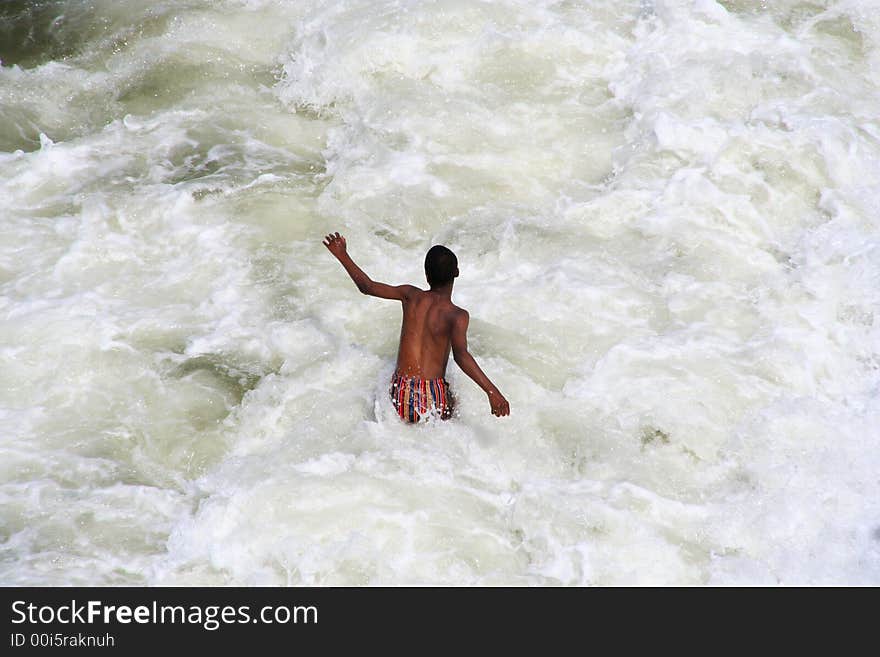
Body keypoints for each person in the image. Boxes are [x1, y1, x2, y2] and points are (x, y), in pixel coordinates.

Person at [322, 232, 510, 423]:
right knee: (454, 406)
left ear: (426, 275)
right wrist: (492, 392)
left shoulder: (410, 295)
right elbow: (461, 356)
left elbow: (367, 286)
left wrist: (342, 254)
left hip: (401, 392)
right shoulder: (457, 315)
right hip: (432, 397)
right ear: (457, 272)